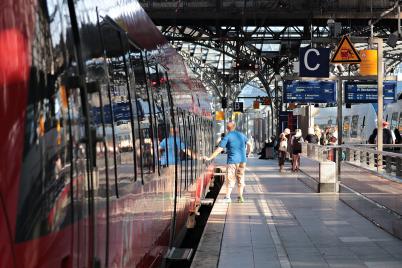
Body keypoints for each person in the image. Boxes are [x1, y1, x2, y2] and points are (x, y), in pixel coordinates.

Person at [204, 122, 250, 203]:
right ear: (234, 127)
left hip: (232, 160)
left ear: (227, 128)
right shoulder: (241, 135)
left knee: (230, 178)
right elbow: (249, 144)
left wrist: (210, 158)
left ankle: (228, 197)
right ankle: (240, 197)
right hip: (243, 160)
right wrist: (247, 154)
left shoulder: (227, 136)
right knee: (241, 177)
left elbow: (219, 149)